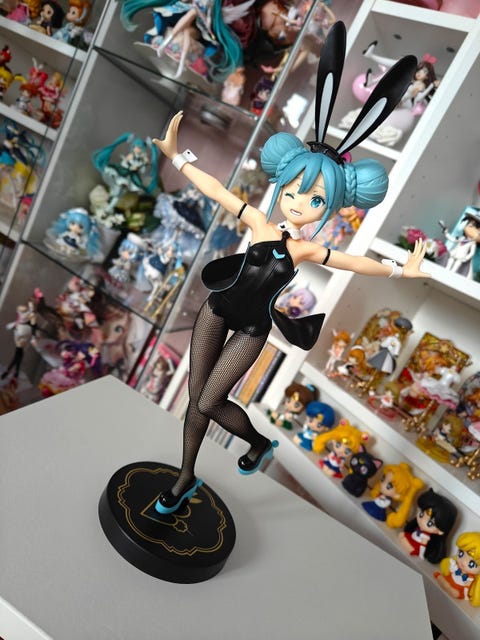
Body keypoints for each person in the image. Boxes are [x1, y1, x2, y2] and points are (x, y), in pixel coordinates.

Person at [152, 22, 428, 514]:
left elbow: (352, 261)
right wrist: (180, 157)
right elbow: (217, 190)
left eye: (315, 199)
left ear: (331, 207)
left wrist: (398, 270)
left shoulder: (303, 250)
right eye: (295, 190)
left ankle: (257, 443)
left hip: (252, 330)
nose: (300, 202)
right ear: (282, 183)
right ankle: (185, 477)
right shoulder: (260, 222)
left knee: (210, 401)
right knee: (196, 398)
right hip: (216, 310)